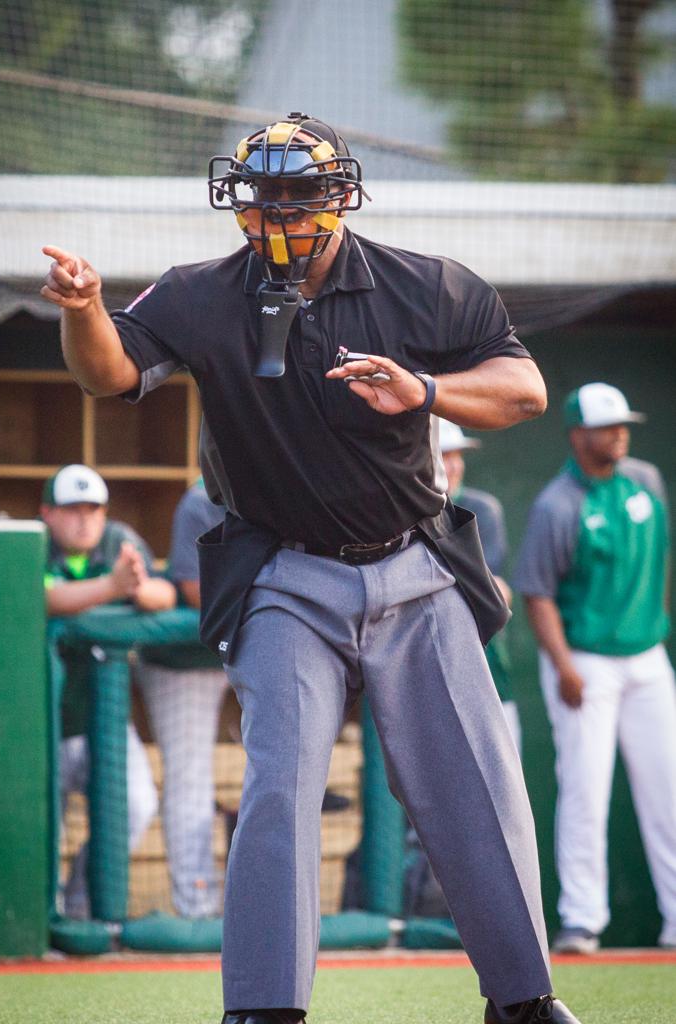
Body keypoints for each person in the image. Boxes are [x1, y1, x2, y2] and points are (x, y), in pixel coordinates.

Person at [40, 112, 580, 1024]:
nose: (279, 208)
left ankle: (524, 1000)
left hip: (415, 568)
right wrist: (87, 308)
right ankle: (265, 1008)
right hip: (285, 575)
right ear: (239, 198)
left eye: (298, 190)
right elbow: (107, 377)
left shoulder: (426, 285)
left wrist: (428, 392)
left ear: (340, 194)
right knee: (281, 784)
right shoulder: (199, 293)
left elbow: (525, 391)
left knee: (477, 786)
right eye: (263, 192)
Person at [514, 382, 676, 955]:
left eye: (623, 424)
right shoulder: (558, 504)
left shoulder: (648, 480)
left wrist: (651, 622)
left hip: (647, 659)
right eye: (608, 426)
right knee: (586, 790)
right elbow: (537, 595)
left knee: (669, 789)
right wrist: (564, 667)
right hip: (584, 664)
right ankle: (582, 921)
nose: (620, 433)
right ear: (579, 435)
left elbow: (658, 558)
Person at [42, 463, 175, 919]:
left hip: (104, 722)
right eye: (72, 509)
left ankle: (79, 900)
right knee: (43, 829)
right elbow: (46, 598)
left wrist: (137, 588)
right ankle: (45, 914)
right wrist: (111, 587)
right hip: (44, 722)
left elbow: (166, 595)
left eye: (92, 509)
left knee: (136, 806)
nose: (84, 519)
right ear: (48, 513)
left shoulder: (118, 538)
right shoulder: (34, 543)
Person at [138, 478, 228, 918]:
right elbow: (194, 589)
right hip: (186, 659)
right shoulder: (202, 499)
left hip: (255, 647)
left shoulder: (288, 478)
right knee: (191, 777)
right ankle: (197, 906)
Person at [438, 417, 521, 754]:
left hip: (486, 668)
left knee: (504, 778)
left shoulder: (482, 508)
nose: (454, 465)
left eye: (457, 455)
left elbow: (496, 595)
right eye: (444, 455)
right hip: (425, 678)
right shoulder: (398, 514)